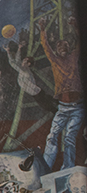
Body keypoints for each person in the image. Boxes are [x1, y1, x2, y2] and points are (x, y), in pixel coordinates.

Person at [39, 17, 82, 172]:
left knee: (69, 138)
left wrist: (75, 25)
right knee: (52, 136)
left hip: (77, 107)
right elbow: (46, 46)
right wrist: (43, 29)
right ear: (57, 50)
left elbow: (79, 42)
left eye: (65, 45)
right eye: (59, 46)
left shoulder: (73, 58)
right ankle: (45, 168)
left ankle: (68, 168)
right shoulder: (55, 60)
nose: (62, 47)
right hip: (63, 108)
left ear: (68, 48)